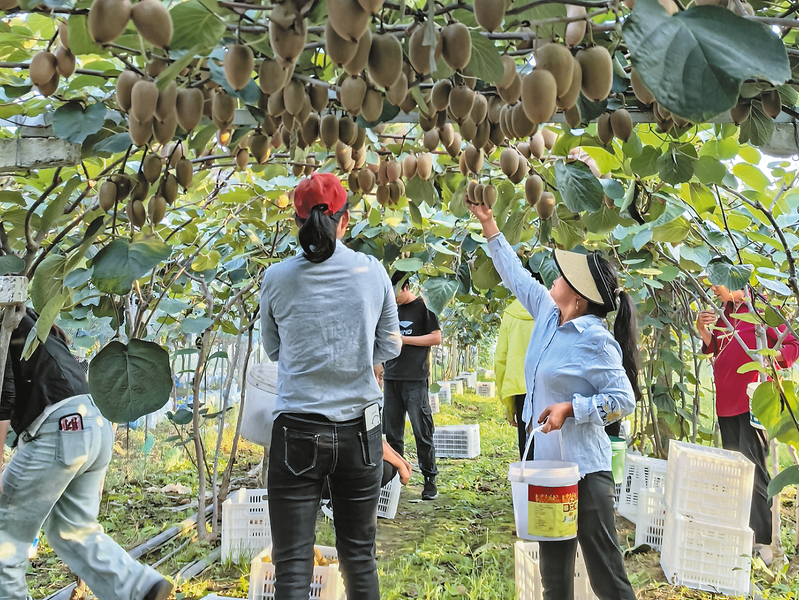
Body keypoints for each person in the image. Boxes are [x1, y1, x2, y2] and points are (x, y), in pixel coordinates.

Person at [469, 202, 639, 600]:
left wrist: (572, 409)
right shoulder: (549, 315)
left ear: (578, 298)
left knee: (607, 578)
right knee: (554, 580)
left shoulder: (595, 340)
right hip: (548, 472)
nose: (555, 278)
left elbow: (623, 399)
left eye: (563, 277)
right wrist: (490, 225)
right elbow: (516, 276)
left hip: (585, 473)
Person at [260, 172, 401, 600]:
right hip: (360, 431)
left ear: (296, 222)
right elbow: (390, 345)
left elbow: (273, 349)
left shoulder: (277, 278)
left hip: (297, 430)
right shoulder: (372, 272)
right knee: (359, 557)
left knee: (292, 565)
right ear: (345, 221)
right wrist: (357, 357)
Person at [0, 307, 172, 600]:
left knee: (4, 539)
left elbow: (4, 398)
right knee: (72, 529)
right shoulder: (27, 317)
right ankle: (138, 588)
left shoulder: (6, 322)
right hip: (93, 422)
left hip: (59, 428)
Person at [696, 283, 799, 565]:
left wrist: (767, 357)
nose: (713, 289)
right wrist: (703, 330)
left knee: (754, 469)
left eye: (717, 282)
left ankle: (764, 541)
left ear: (734, 279)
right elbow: (716, 348)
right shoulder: (726, 312)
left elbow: (792, 345)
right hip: (726, 403)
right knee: (736, 470)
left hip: (752, 401)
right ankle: (743, 534)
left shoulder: (762, 309)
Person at [382, 271, 442, 500]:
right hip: (391, 378)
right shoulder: (390, 308)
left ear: (406, 287)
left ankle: (429, 480)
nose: (394, 298)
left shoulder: (425, 306)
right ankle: (393, 482)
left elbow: (436, 337)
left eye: (396, 293)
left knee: (422, 431)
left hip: (415, 379)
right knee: (392, 434)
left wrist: (404, 340)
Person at [495, 298, 535, 460]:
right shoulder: (552, 309)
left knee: (526, 447)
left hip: (520, 390)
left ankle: (528, 476)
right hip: (547, 388)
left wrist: (509, 406)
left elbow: (500, 361)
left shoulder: (510, 313)